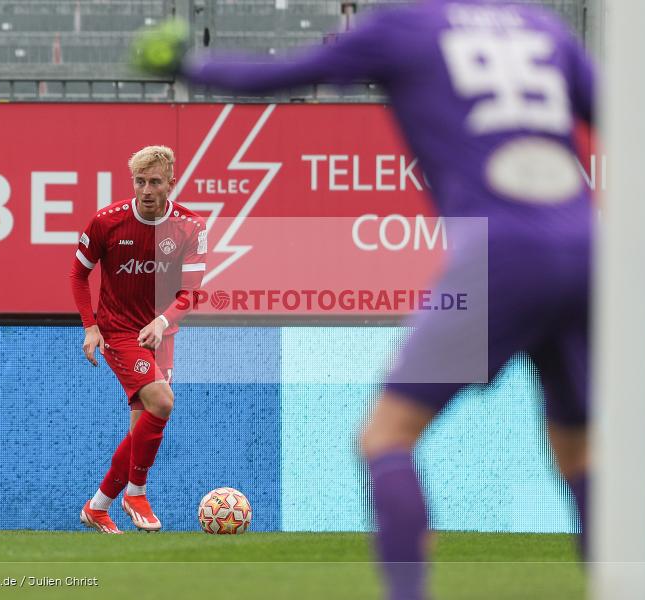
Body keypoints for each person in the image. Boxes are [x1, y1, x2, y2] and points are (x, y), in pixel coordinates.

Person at [132, 1, 594, 597]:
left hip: (500, 250)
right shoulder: (542, 25)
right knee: (583, 453)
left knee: (386, 437)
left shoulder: (403, 25)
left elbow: (279, 76)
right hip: (590, 248)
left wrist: (189, 63)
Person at [70, 145, 207, 534]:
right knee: (163, 401)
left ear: (171, 184)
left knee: (143, 426)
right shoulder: (107, 221)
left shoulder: (190, 226)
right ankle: (136, 493)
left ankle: (97, 507)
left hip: (160, 333)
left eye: (155, 182)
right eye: (140, 181)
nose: (146, 190)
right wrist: (90, 325)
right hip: (118, 330)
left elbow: (192, 292)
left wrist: (163, 323)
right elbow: (78, 275)